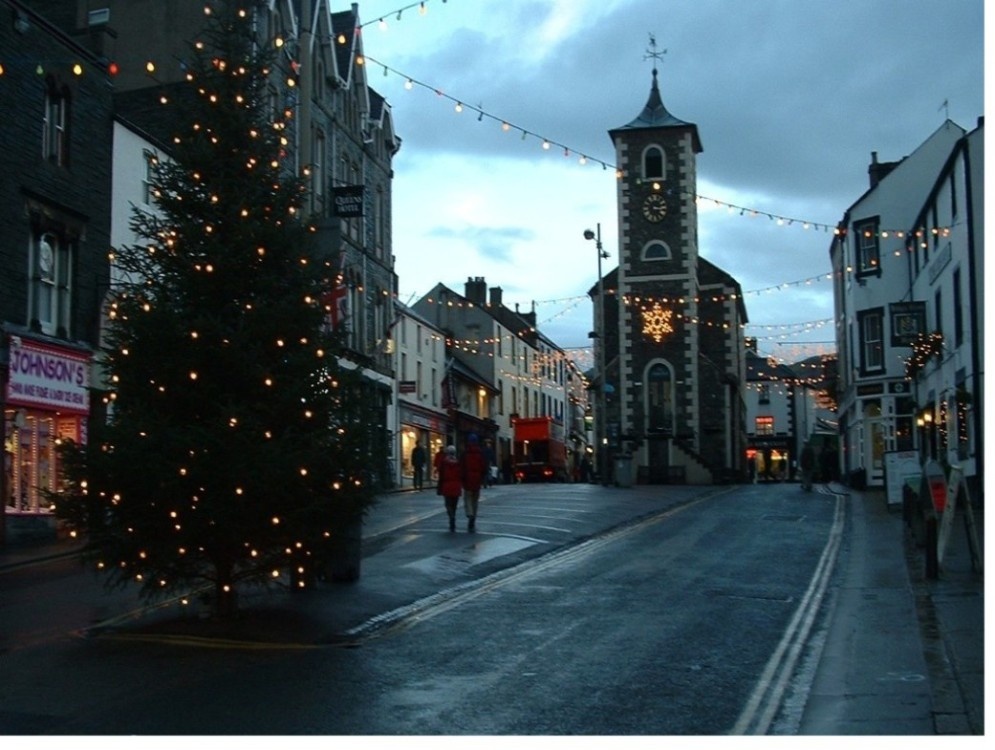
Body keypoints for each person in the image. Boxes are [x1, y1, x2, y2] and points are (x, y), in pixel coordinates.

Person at [461, 434, 488, 532]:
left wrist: (462, 478)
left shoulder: (465, 453)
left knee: (468, 498)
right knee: (475, 500)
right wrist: (482, 477)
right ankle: (474, 517)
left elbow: (462, 467)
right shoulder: (480, 453)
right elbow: (484, 467)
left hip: (467, 479)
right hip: (477, 480)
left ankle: (470, 514)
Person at [437, 444, 463, 532]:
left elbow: (441, 474)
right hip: (456, 486)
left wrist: (439, 486)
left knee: (448, 504)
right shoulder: (458, 463)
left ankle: (451, 517)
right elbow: (461, 474)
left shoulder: (444, 462)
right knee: (454, 505)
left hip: (447, 485)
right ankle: (453, 516)